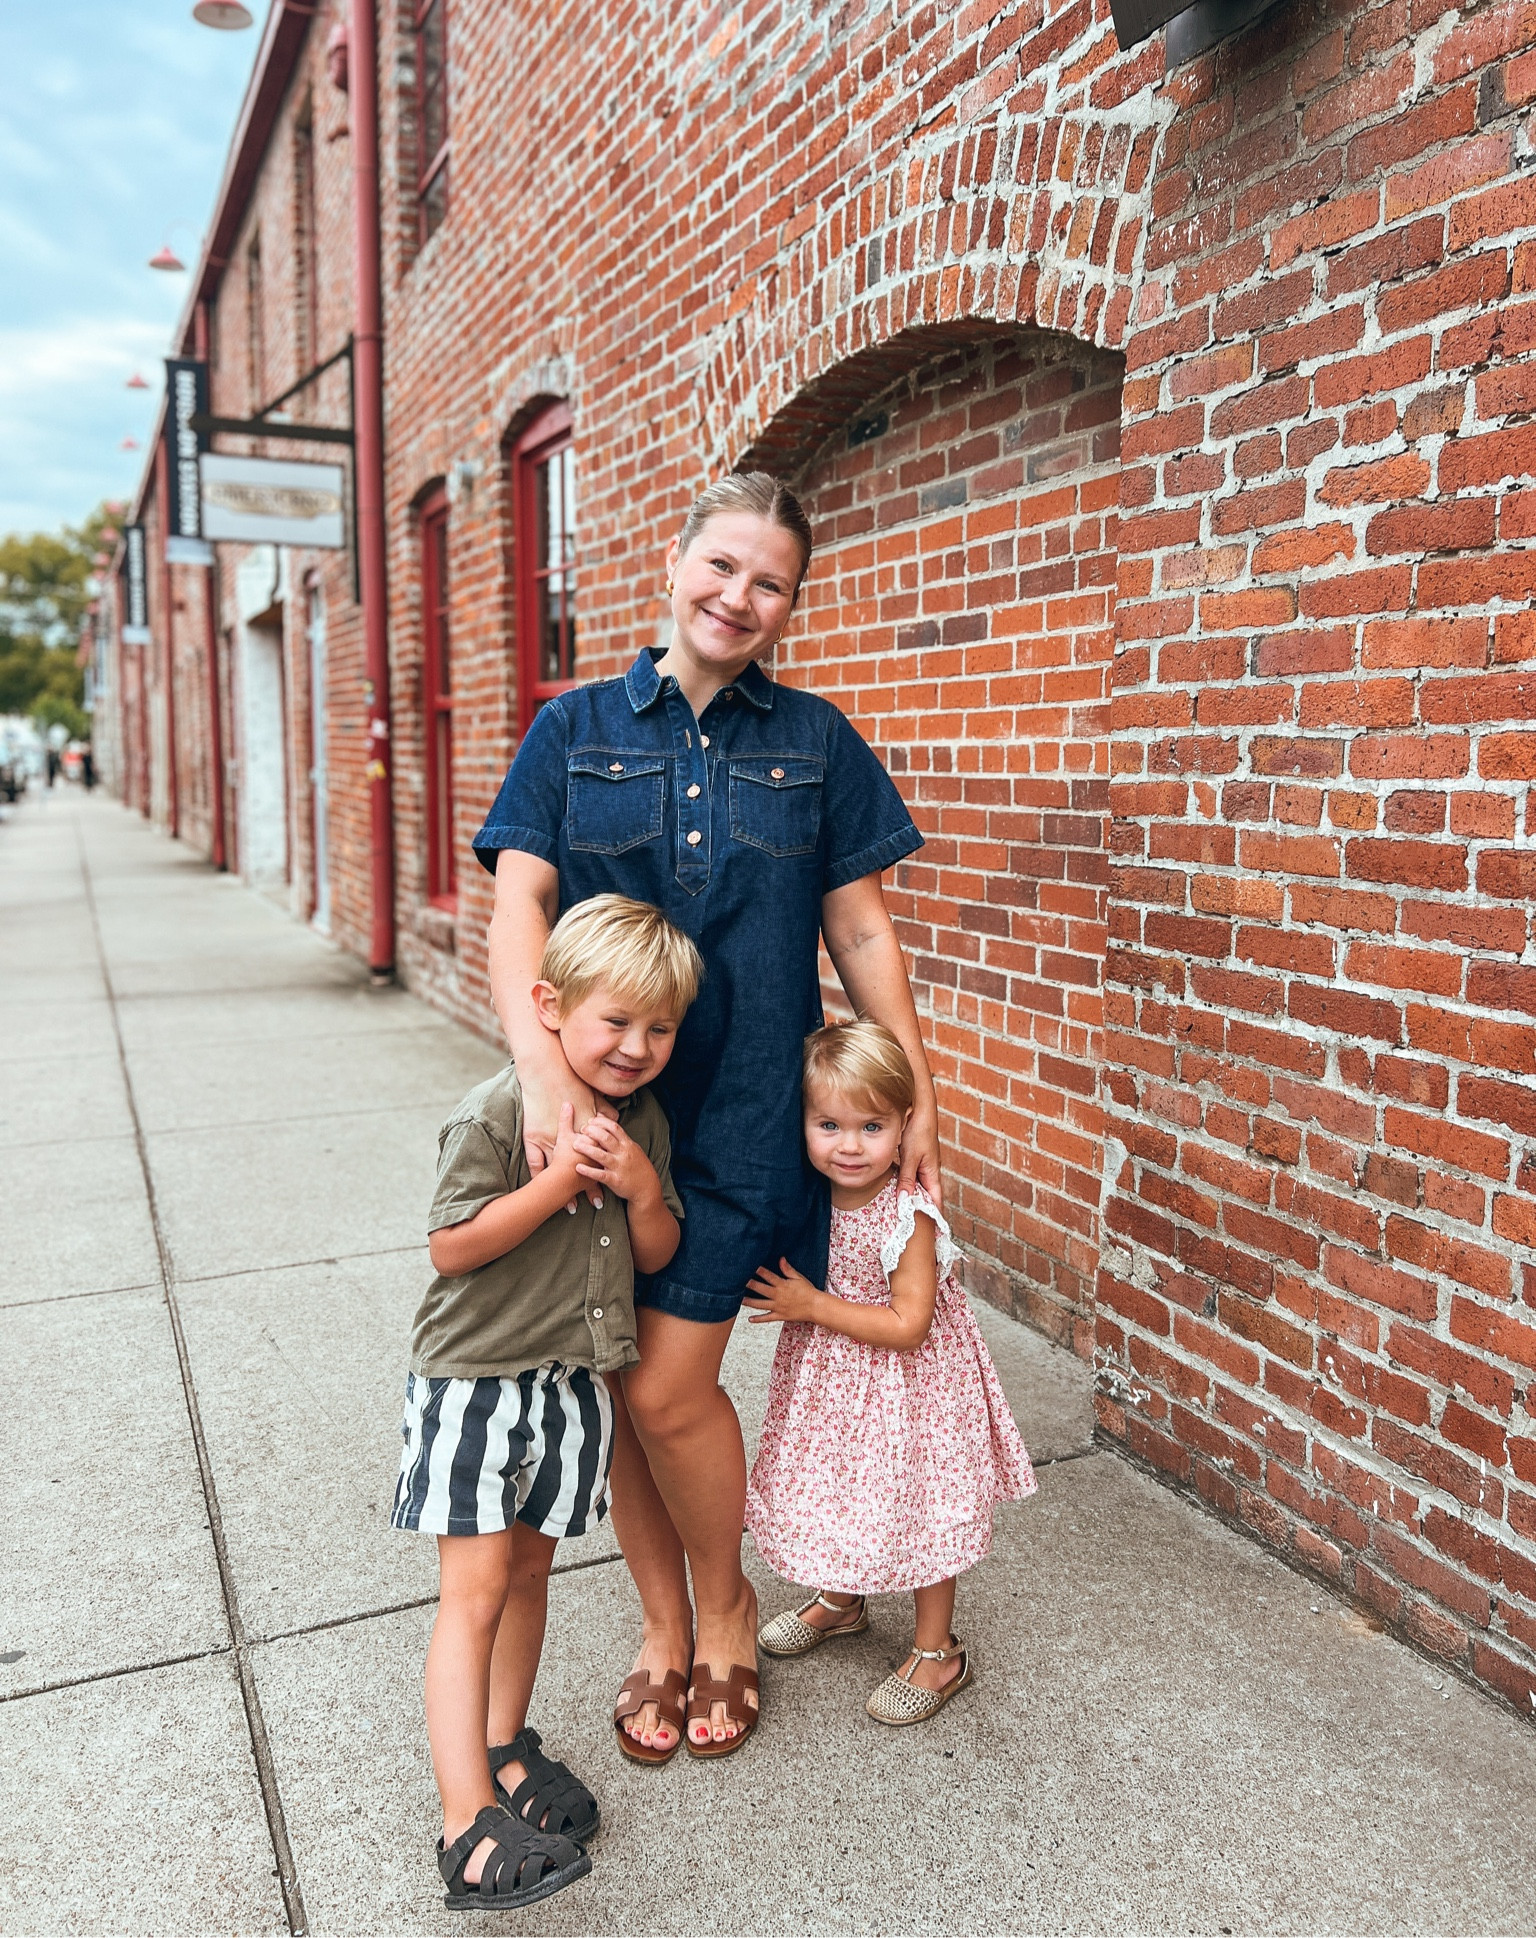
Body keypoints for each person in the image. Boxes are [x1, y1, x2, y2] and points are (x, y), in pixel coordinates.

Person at [474, 470, 938, 1760]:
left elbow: (858, 923)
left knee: (672, 1388)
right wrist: (542, 1072)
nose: (739, 596)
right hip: (602, 1117)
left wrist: (918, 1085)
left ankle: (726, 1609)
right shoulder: (570, 730)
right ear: (677, 563)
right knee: (623, 1382)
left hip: (744, 1119)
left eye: (771, 581)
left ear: (792, 603)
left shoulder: (817, 741)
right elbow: (520, 906)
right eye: (722, 566)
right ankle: (661, 1627)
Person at [390, 895, 700, 1909]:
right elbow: (450, 1246)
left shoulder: (639, 1120)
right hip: (477, 1385)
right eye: (617, 1021)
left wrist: (642, 1185)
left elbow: (652, 1252)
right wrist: (556, 1176)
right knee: (473, 1592)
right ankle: (465, 1821)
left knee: (529, 1576)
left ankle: (502, 1744)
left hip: (567, 1387)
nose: (638, 1047)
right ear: (550, 1006)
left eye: (660, 1029)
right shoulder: (495, 1113)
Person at [745, 1020, 1035, 1722]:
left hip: (910, 1394)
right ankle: (844, 1598)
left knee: (918, 1508)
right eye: (830, 1124)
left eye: (872, 1126)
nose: (850, 1145)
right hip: (835, 1387)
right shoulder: (813, 1196)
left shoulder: (908, 1214)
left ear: (907, 1125)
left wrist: (812, 1303)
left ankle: (938, 1652)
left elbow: (911, 1327)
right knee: (840, 1489)